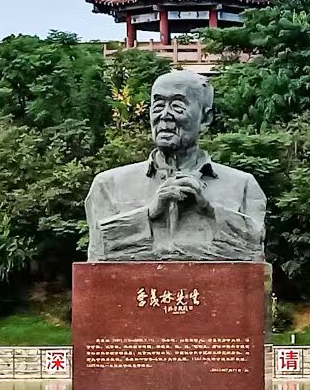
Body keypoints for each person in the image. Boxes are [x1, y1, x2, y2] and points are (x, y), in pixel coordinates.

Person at [84, 70, 266, 262]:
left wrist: (210, 211)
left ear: (206, 118)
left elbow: (253, 249)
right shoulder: (108, 184)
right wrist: (149, 214)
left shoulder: (243, 185)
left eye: (178, 106)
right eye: (158, 105)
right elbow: (99, 250)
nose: (164, 115)